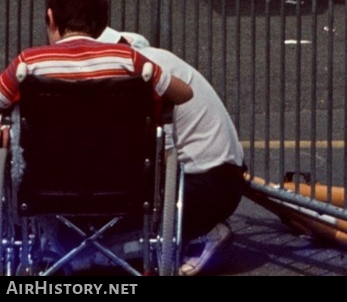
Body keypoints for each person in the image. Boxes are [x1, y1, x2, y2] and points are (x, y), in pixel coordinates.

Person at [96, 27, 243, 276]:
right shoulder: (146, 58)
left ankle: (203, 233)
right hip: (219, 176)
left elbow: (143, 151)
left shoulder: (135, 74)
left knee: (107, 238)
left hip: (205, 185)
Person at [0, 0, 191, 119]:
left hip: (46, 167)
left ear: (50, 17)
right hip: (116, 166)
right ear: (101, 25)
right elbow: (184, 94)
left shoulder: (30, 61)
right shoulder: (127, 57)